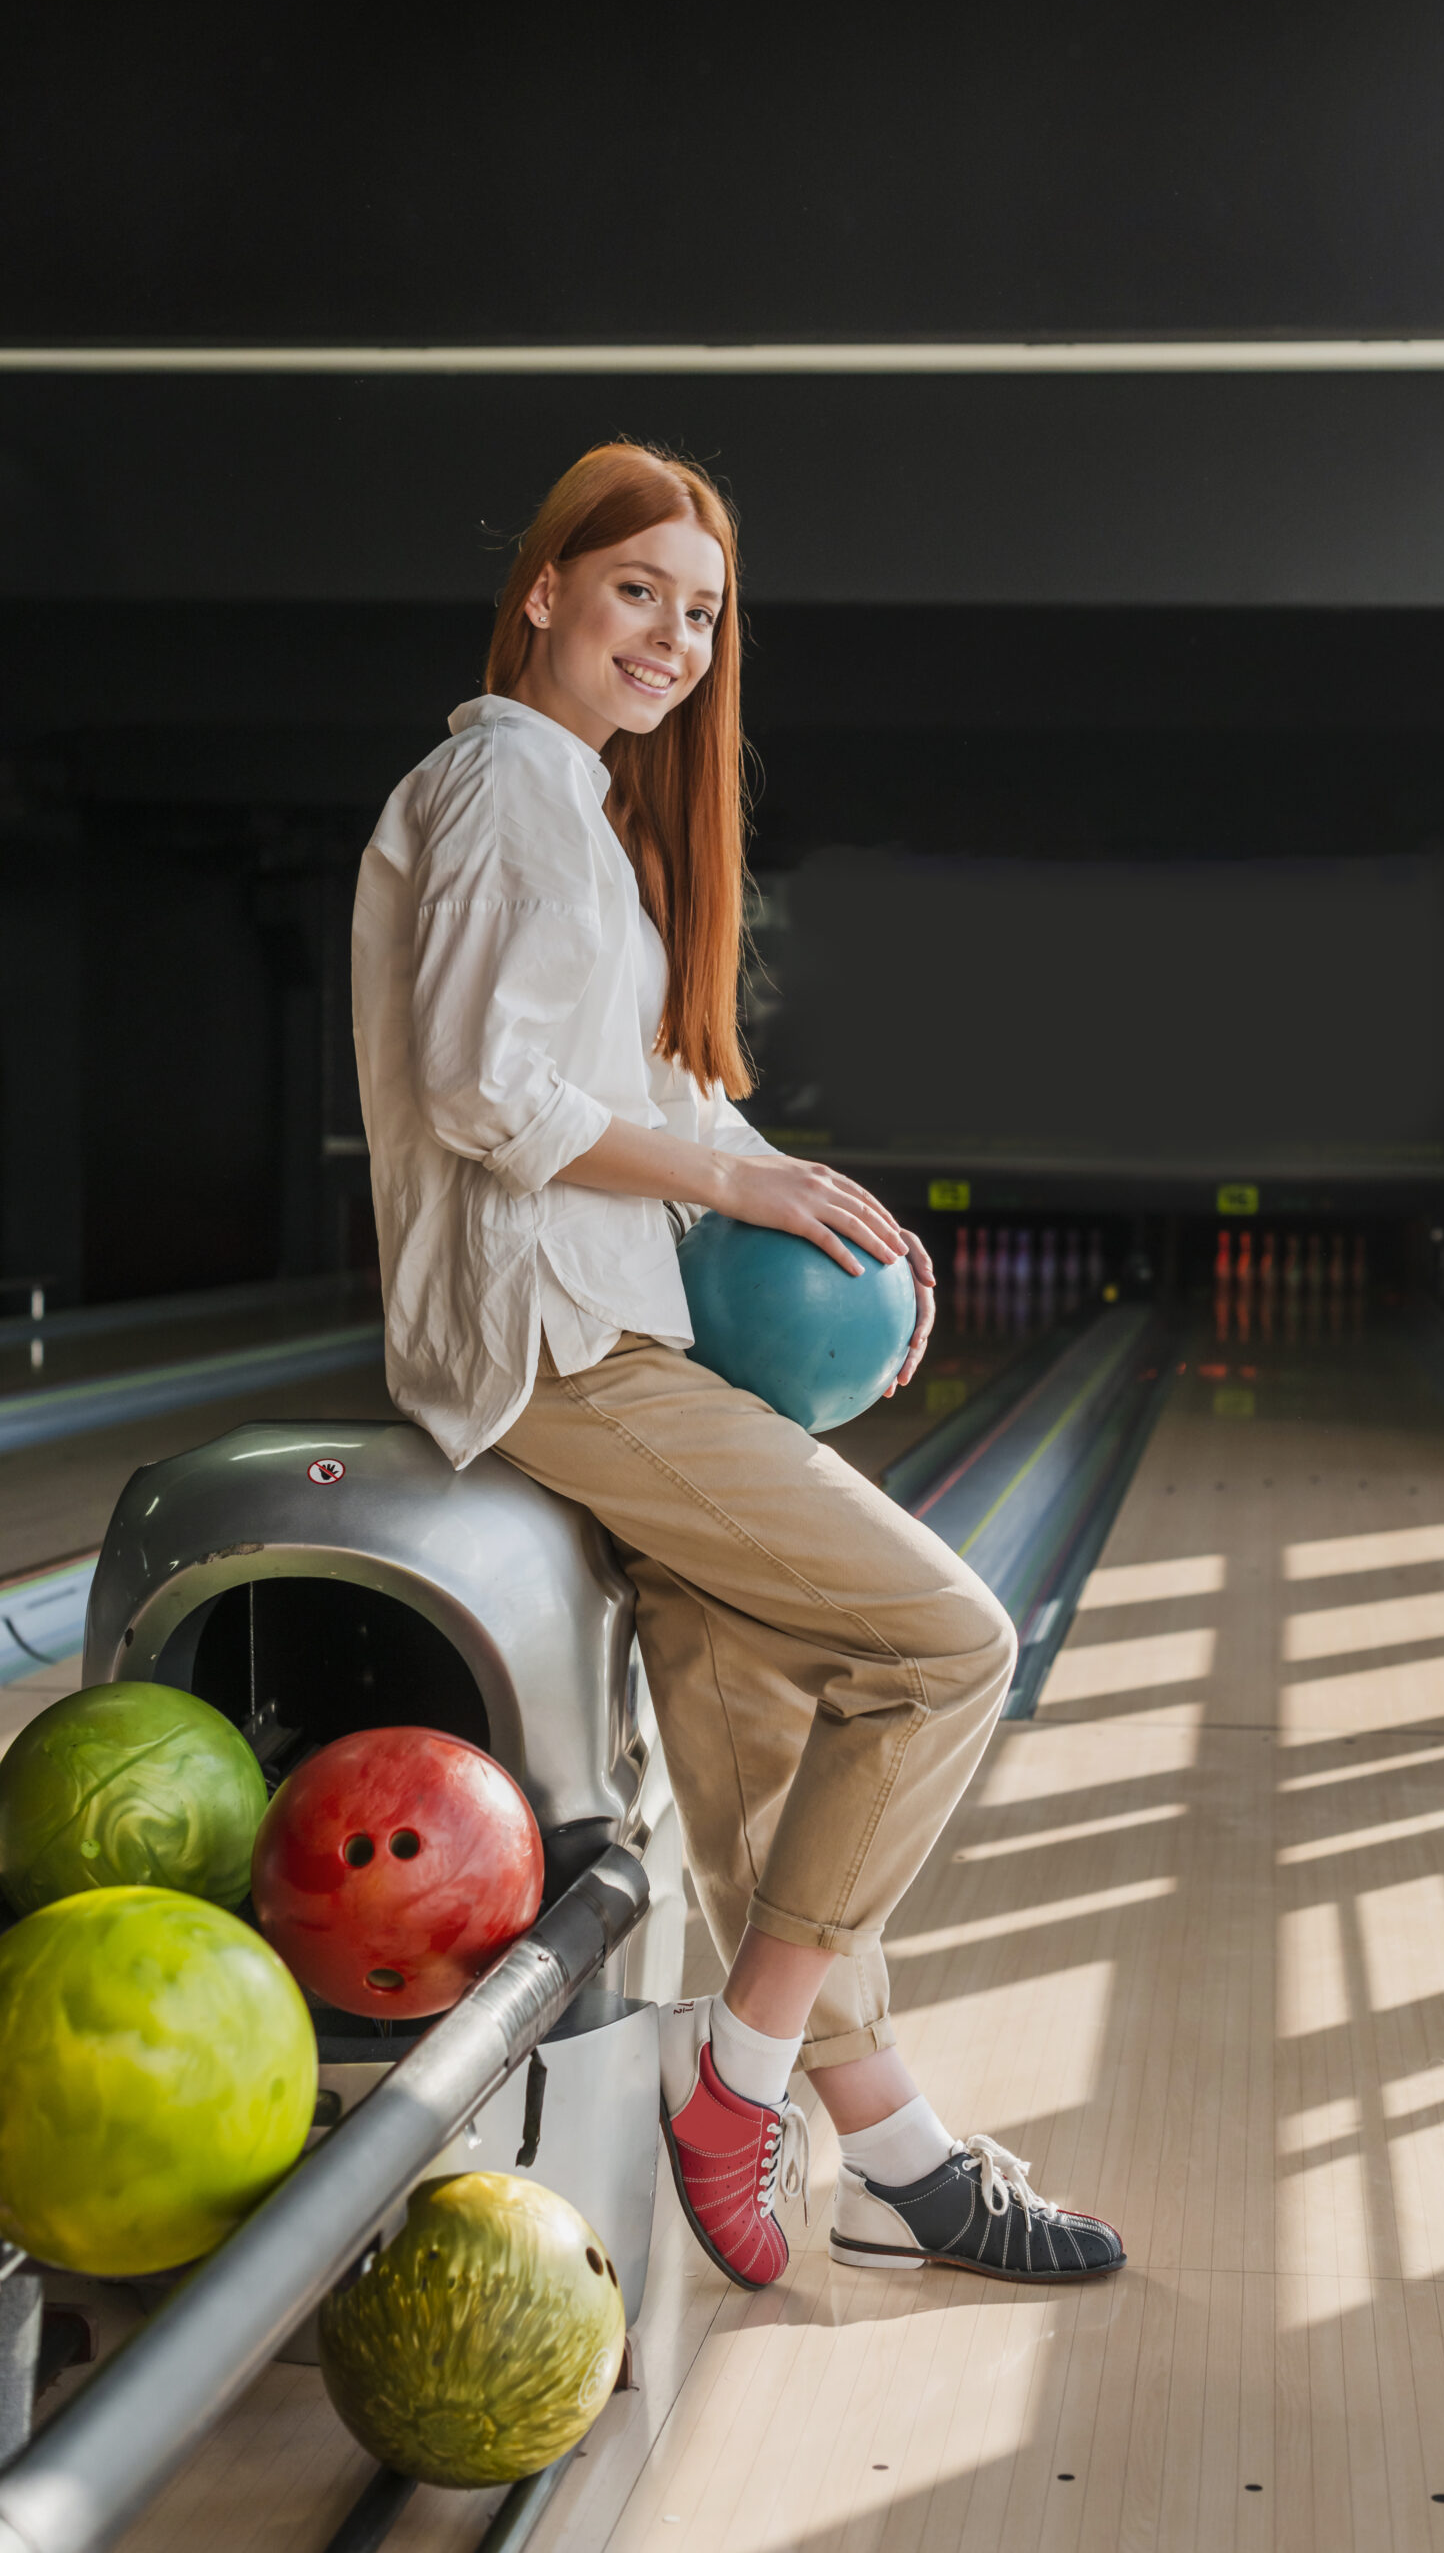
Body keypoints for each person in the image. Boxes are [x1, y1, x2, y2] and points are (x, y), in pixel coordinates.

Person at [352, 442, 1124, 2289]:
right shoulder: (502, 792)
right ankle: (745, 2073)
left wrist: (829, 1220)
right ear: (544, 590)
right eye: (638, 593)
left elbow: (634, 1085)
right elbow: (489, 1089)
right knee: (945, 1645)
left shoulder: (578, 815)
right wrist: (734, 1174)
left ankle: (899, 2162)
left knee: (756, 1731)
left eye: (701, 613)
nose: (674, 637)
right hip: (562, 1352)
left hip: (615, 1330)